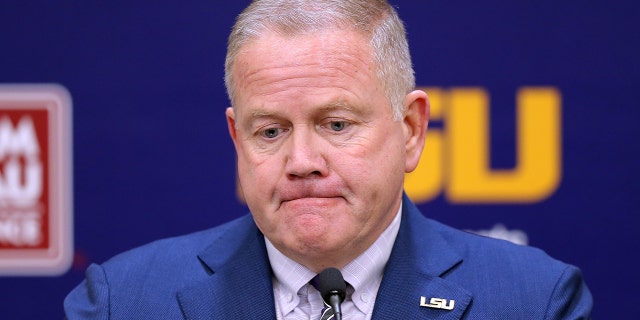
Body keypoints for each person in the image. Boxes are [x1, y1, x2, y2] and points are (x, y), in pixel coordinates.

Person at [64, 0, 593, 319]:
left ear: (410, 131)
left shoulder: (534, 302)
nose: (301, 161)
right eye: (270, 131)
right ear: (236, 138)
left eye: (336, 125)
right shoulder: (124, 303)